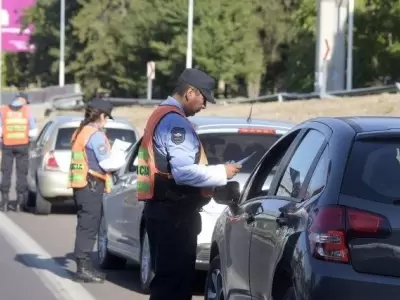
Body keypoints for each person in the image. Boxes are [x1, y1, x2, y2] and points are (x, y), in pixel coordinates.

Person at [137, 68, 242, 300]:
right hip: (174, 214)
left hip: (164, 211)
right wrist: (222, 172)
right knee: (174, 286)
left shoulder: (161, 114)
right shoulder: (176, 122)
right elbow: (183, 173)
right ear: (190, 92)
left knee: (168, 283)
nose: (204, 105)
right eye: (203, 98)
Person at [68, 98, 127, 283]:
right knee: (89, 227)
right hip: (91, 186)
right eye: (106, 118)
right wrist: (121, 158)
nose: (106, 121)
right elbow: (106, 163)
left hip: (82, 186)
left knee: (85, 225)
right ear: (101, 115)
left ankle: (85, 266)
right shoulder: (95, 135)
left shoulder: (81, 131)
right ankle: (83, 269)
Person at [0, 93, 38, 212]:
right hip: (22, 145)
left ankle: (4, 201)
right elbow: (33, 132)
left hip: (7, 145)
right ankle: (18, 204)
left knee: (6, 173)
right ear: (23, 101)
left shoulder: (3, 110)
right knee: (21, 173)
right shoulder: (27, 111)